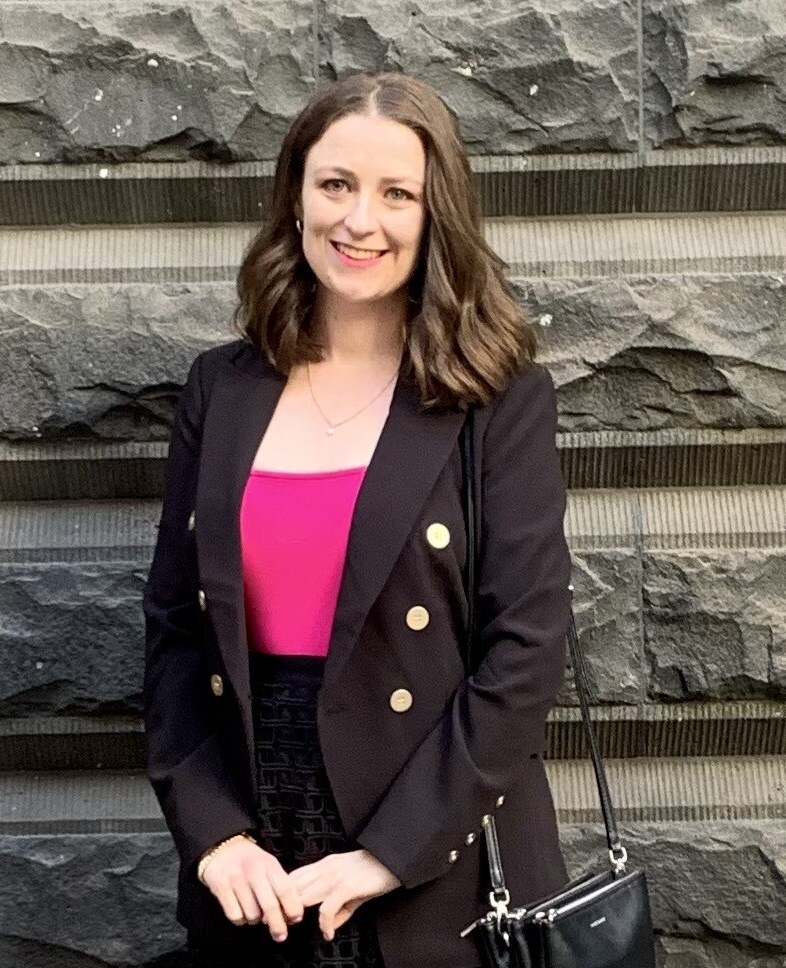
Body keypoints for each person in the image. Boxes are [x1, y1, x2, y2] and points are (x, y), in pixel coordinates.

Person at [140, 70, 572, 968]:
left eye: (396, 194)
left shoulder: (496, 400)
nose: (359, 221)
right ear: (295, 197)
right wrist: (214, 834)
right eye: (335, 184)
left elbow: (526, 650)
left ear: (435, 212)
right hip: (254, 861)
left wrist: (390, 852)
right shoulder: (222, 389)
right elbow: (175, 630)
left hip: (435, 858)